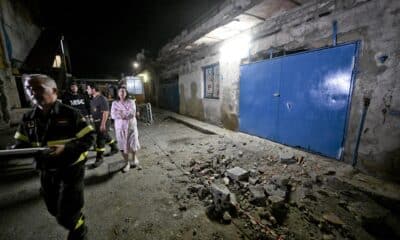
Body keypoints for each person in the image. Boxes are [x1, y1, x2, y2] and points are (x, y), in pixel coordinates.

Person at [13, 74, 95, 240]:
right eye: (29, 89)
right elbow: (20, 144)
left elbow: (89, 138)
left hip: (71, 170)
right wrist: (13, 151)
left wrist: (66, 149)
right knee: (53, 209)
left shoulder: (71, 114)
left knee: (67, 214)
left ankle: (79, 231)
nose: (32, 93)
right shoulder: (28, 118)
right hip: (46, 172)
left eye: (38, 88)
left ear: (54, 90)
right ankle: (73, 219)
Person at [86, 83, 118, 167]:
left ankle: (99, 158)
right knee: (105, 136)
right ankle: (114, 148)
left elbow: (106, 112)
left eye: (88, 88)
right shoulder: (93, 99)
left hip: (103, 122)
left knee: (100, 140)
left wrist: (103, 124)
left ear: (93, 89)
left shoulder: (102, 98)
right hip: (97, 122)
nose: (87, 90)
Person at [111, 86, 140, 172]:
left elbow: (132, 113)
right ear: (118, 93)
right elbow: (113, 115)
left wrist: (120, 113)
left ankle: (134, 158)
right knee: (123, 146)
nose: (122, 93)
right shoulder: (114, 103)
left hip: (131, 127)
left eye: (124, 91)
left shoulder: (131, 102)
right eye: (120, 91)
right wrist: (124, 114)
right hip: (120, 128)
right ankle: (127, 162)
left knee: (133, 143)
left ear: (126, 93)